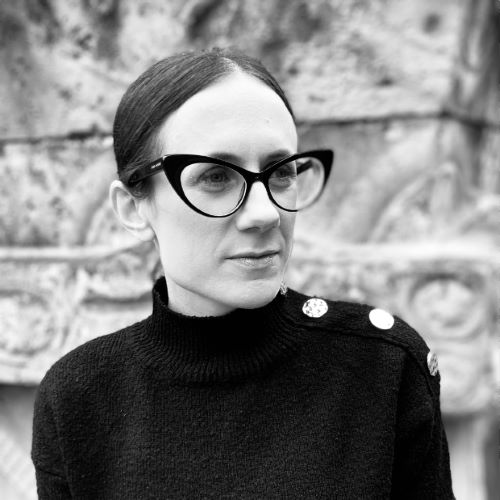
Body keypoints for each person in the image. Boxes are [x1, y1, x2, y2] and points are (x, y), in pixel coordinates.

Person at [31, 47, 455, 499]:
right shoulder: (78, 397)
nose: (265, 213)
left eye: (282, 172)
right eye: (215, 177)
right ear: (133, 207)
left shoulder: (382, 367)